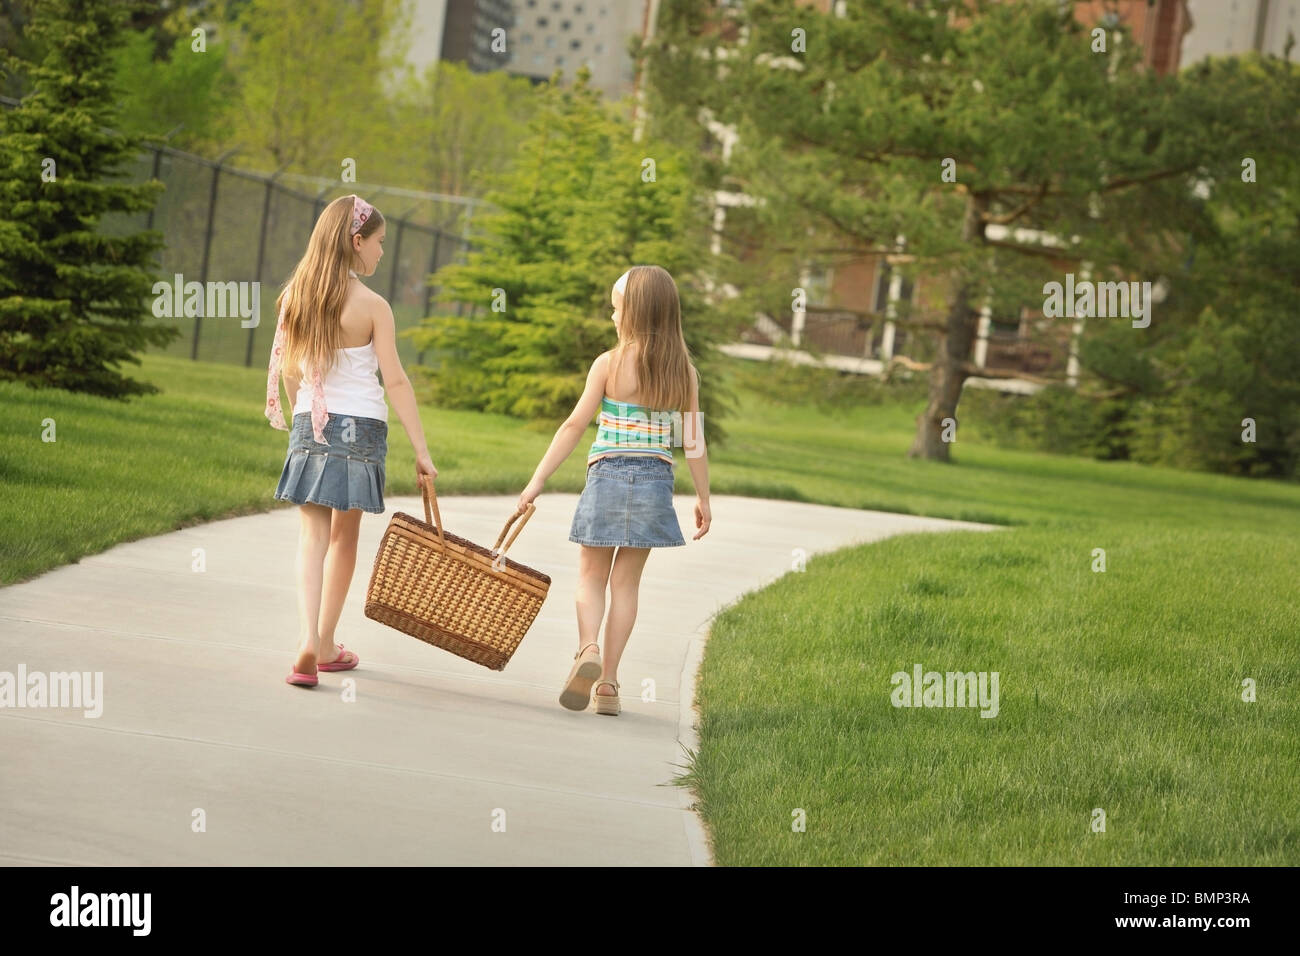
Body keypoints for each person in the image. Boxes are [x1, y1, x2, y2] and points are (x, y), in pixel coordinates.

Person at [517, 265, 711, 716]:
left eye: (616, 308)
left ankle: (587, 649)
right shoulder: (684, 372)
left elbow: (574, 424)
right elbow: (695, 441)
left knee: (590, 576)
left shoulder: (609, 363)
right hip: (655, 483)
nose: (612, 317)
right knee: (626, 584)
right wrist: (703, 498)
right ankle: (608, 684)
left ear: (635, 313)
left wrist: (538, 478)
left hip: (607, 474)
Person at [264, 194, 438, 688]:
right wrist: (422, 451)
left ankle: (305, 639)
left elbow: (291, 373)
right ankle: (325, 641)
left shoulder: (296, 295)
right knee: (344, 537)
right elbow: (396, 381)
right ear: (356, 242)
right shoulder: (373, 306)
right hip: (360, 429)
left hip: (310, 426)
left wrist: (304, 422)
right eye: (379, 243)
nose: (382, 252)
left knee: (311, 536)